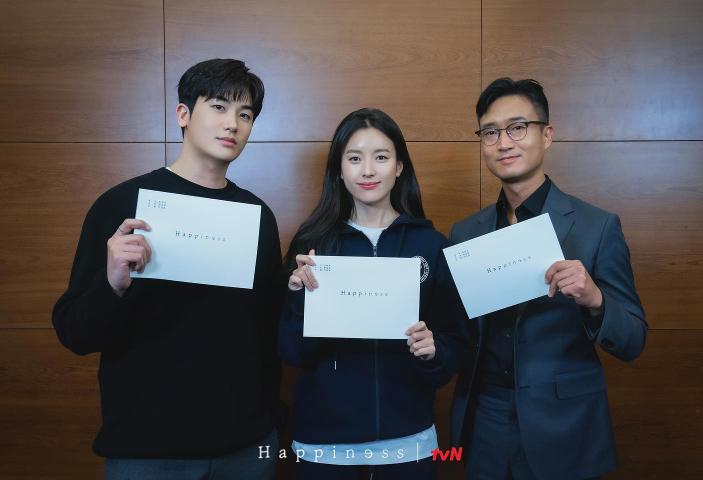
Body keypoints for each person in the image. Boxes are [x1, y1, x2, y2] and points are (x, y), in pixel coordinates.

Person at [52, 58, 282, 480]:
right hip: (147, 449)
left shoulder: (257, 215)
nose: (232, 123)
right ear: (183, 114)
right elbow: (74, 332)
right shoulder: (122, 206)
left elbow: (267, 331)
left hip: (246, 448)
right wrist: (113, 284)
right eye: (218, 107)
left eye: (245, 114)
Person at [449, 78, 647, 480]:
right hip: (484, 421)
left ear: (547, 135)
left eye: (518, 127)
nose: (504, 142)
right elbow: (458, 332)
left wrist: (595, 299)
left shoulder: (597, 227)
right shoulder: (466, 234)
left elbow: (633, 340)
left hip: (564, 424)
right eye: (491, 132)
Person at [279, 108, 468, 480]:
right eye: (354, 158)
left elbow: (454, 348)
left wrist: (434, 351)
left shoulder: (430, 245)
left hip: (409, 441)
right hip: (324, 446)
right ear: (338, 169)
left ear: (399, 167)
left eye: (381, 157)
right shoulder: (312, 246)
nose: (368, 171)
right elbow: (291, 352)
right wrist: (300, 296)